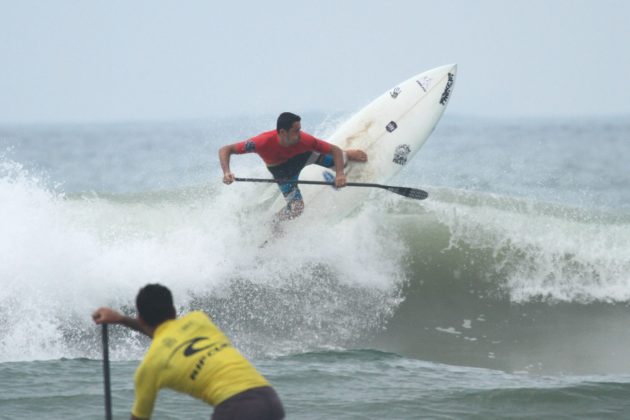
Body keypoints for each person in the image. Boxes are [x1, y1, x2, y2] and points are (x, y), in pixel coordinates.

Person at [92, 284, 285, 420]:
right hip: (270, 399)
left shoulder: (150, 366)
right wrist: (119, 319)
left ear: (141, 318)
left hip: (237, 408)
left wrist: (122, 319)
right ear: (174, 311)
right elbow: (167, 334)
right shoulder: (199, 319)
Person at [219, 112, 367, 221]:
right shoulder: (262, 142)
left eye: (300, 129)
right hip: (283, 173)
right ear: (283, 132)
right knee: (297, 208)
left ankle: (347, 154)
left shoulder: (305, 141)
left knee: (340, 159)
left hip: (303, 157)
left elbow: (334, 149)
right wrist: (227, 172)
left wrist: (340, 174)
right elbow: (226, 149)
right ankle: (276, 221)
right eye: (296, 130)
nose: (300, 133)